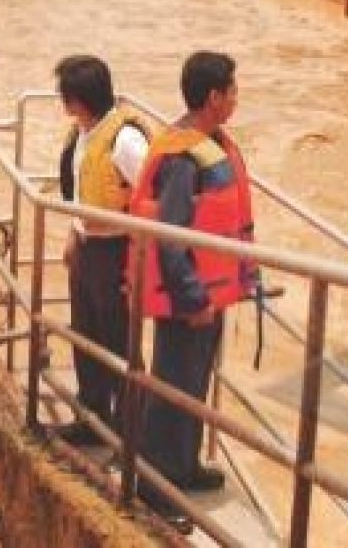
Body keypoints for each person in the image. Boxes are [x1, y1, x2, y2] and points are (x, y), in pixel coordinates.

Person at [126, 51, 258, 514]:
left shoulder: (209, 144)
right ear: (212, 97)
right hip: (190, 299)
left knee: (194, 383)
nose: (237, 99)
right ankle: (157, 489)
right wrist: (193, 297)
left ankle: (182, 466)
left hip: (208, 292)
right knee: (174, 387)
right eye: (233, 91)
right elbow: (170, 237)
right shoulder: (184, 159)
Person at [54, 55, 150, 445]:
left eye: (66, 94)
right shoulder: (84, 132)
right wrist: (73, 234)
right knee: (86, 335)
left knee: (119, 343)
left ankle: (133, 435)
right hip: (88, 248)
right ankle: (91, 416)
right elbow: (81, 189)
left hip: (115, 252)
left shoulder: (125, 140)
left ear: (81, 99)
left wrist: (136, 266)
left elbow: (151, 201)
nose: (62, 102)